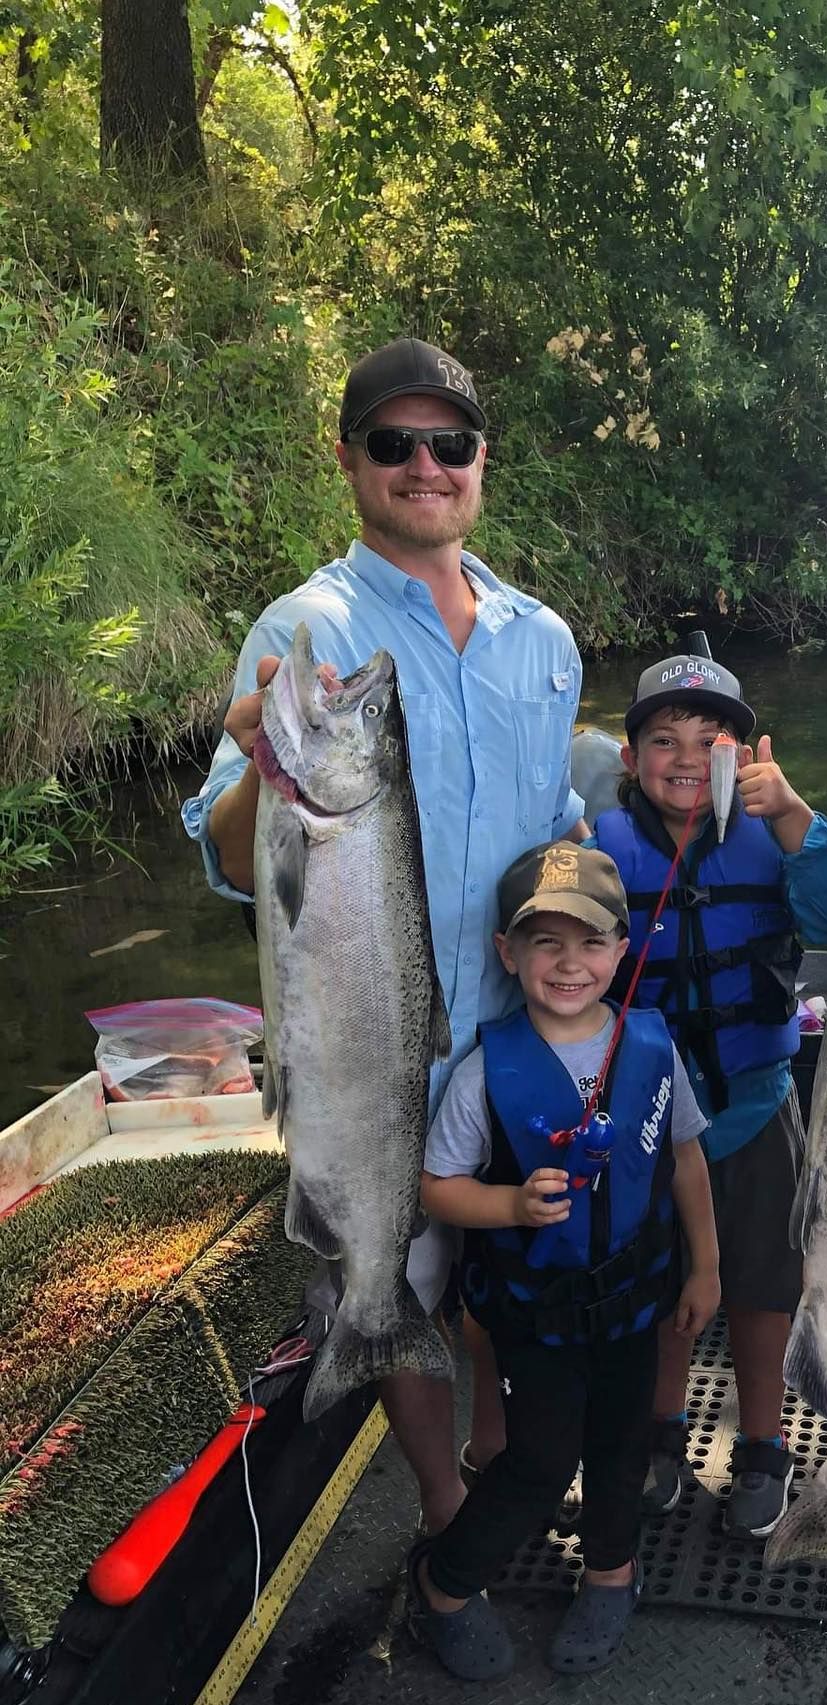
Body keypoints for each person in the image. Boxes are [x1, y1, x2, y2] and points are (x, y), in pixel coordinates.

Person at [182, 338, 585, 1537]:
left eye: (448, 444)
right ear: (350, 459)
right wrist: (265, 751)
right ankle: (446, 1502)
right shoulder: (304, 627)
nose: (424, 466)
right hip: (368, 1050)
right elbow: (223, 849)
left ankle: (503, 1470)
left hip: (519, 1041)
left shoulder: (547, 643)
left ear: (479, 463)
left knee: (507, 1288)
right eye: (394, 444)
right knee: (391, 1275)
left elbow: (558, 830)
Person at [410, 841, 720, 1678]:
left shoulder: (653, 1048)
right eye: (545, 942)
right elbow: (439, 1186)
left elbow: (686, 1158)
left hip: (635, 1305)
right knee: (539, 1463)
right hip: (534, 1319)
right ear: (509, 955)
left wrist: (706, 1267)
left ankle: (613, 1574)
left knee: (626, 1445)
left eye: (589, 942)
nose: (569, 963)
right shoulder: (485, 1074)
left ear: (623, 950)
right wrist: (508, 1205)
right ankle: (442, 1588)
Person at [592, 652, 827, 1536]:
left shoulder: (780, 833)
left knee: (762, 1287)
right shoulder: (598, 845)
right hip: (643, 1123)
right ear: (630, 760)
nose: (685, 757)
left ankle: (762, 1443)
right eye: (663, 741)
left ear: (749, 753)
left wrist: (792, 812)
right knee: (665, 1286)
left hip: (753, 1107)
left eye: (711, 741)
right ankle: (663, 1431)